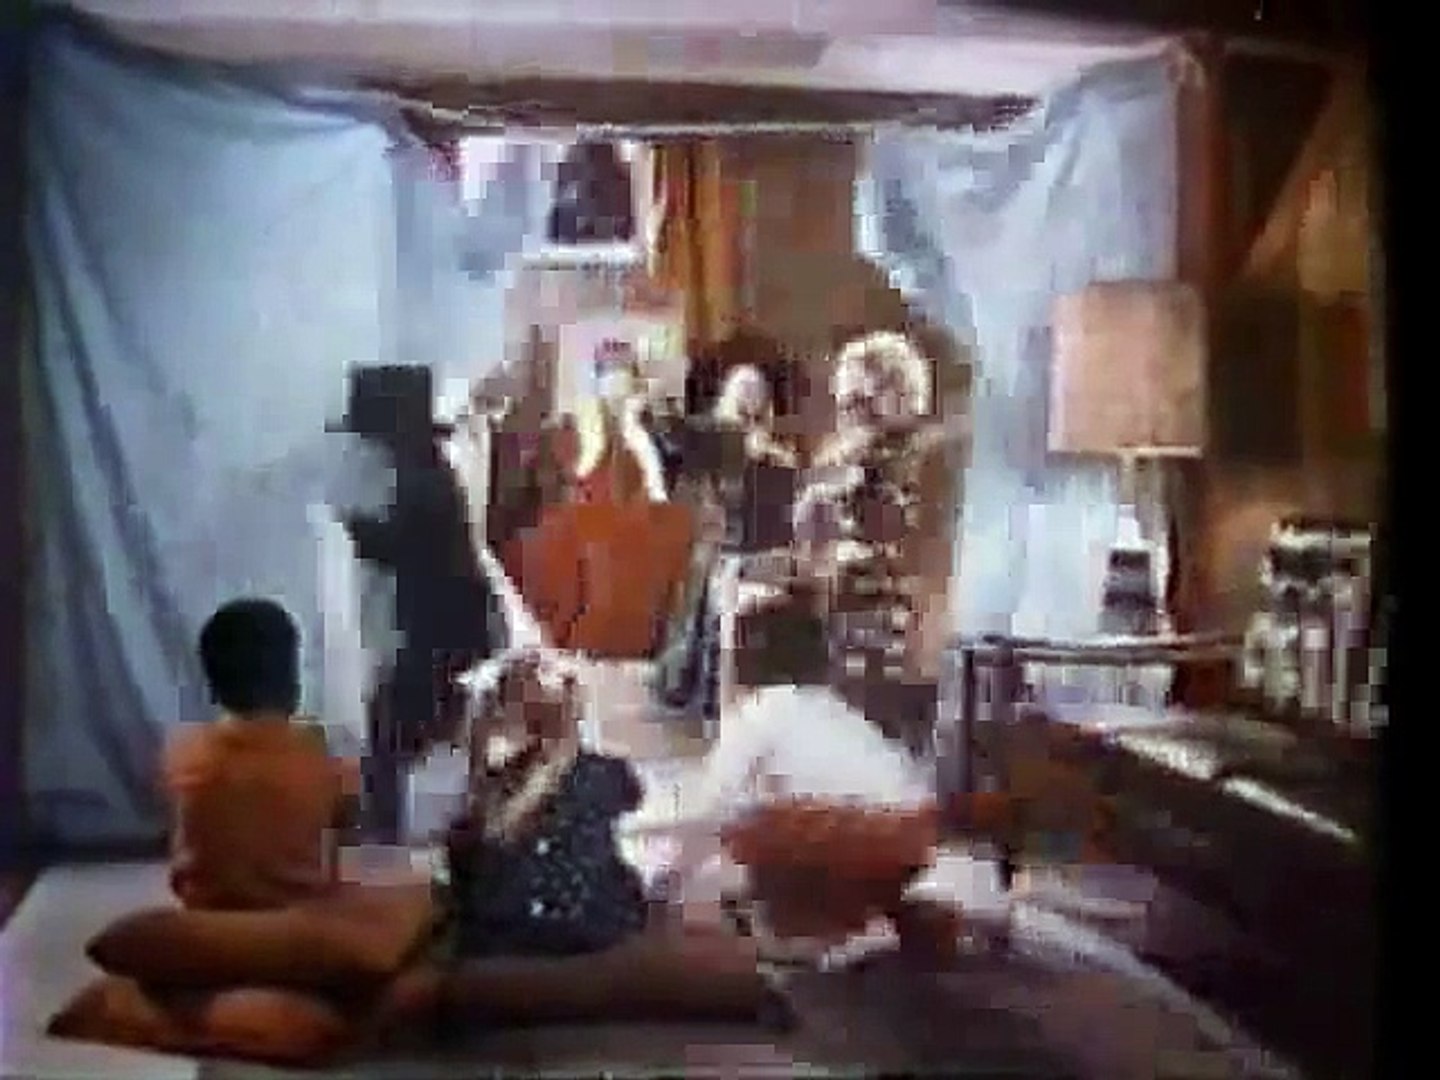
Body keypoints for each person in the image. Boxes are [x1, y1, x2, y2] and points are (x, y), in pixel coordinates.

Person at [330, 364, 503, 841]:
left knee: (394, 731)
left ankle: (385, 832)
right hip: (450, 624)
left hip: (437, 628)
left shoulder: (422, 480)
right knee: (416, 729)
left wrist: (348, 524)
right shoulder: (429, 471)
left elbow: (402, 545)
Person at [444, 647, 649, 958]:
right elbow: (632, 797)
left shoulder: (489, 773)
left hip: (497, 934)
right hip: (592, 928)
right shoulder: (607, 771)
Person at [162, 598, 360, 911]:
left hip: (205, 914)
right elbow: (348, 834)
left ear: (212, 686)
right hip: (295, 915)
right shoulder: (319, 754)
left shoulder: (183, 752)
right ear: (292, 682)